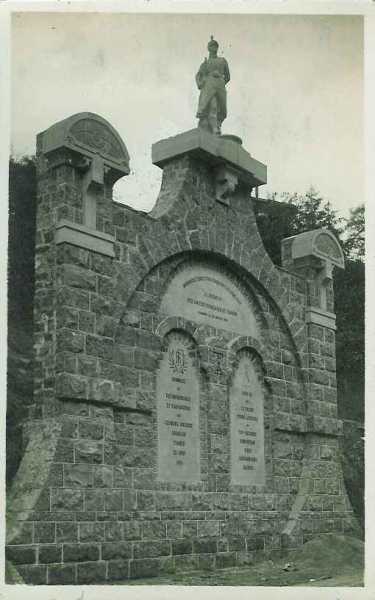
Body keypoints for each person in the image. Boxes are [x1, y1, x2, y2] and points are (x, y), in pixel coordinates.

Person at [196, 36, 230, 135]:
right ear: (209, 48)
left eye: (215, 46)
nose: (214, 48)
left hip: (220, 85)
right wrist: (201, 83)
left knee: (221, 108)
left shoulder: (222, 61)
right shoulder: (205, 63)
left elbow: (227, 76)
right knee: (213, 106)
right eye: (211, 46)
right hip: (209, 86)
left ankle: (217, 125)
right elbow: (199, 75)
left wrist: (221, 81)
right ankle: (215, 128)